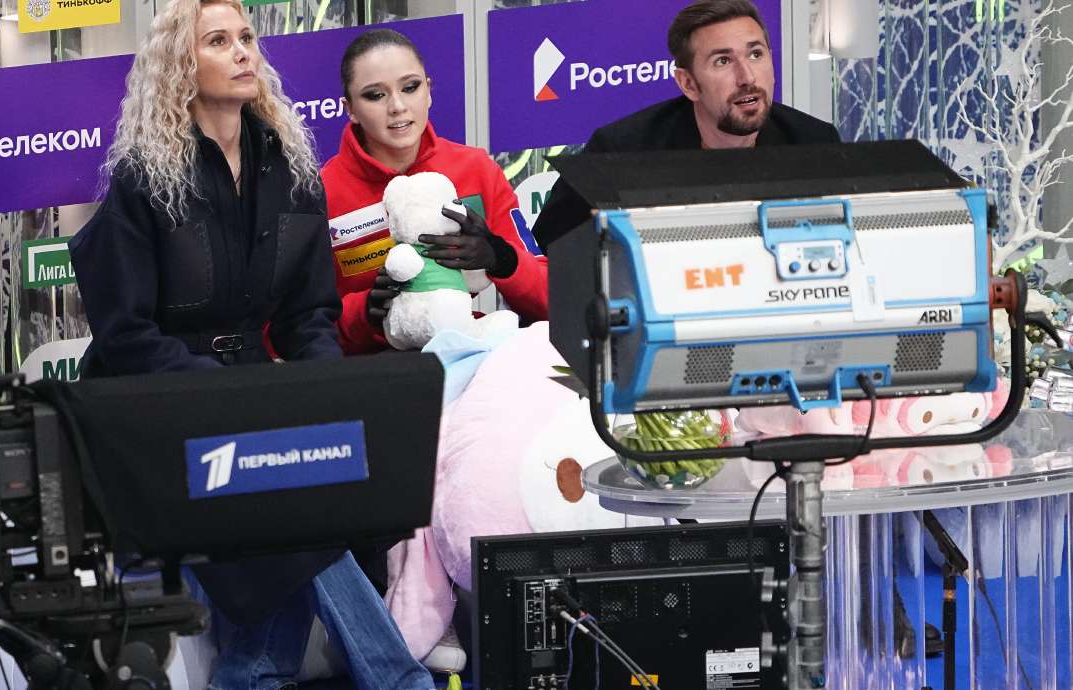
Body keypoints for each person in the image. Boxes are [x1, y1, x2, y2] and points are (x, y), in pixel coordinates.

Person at [68, 1, 434, 688]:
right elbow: (125, 337)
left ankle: (254, 673)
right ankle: (391, 679)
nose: (242, 52)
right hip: (148, 405)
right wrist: (226, 394)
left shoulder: (291, 168)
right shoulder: (144, 178)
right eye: (218, 41)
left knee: (306, 494)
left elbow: (309, 318)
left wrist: (328, 393)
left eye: (245, 38)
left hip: (251, 395)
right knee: (292, 512)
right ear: (182, 63)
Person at [532, 0, 841, 253]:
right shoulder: (622, 151)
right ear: (688, 84)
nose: (747, 76)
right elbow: (555, 240)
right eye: (723, 61)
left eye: (755, 54)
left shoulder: (813, 143)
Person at [321, 29, 548, 354]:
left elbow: (552, 300)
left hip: (467, 364)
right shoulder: (321, 192)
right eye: (375, 95)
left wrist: (501, 258)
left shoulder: (476, 169)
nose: (397, 106)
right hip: (367, 381)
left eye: (410, 87)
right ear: (350, 108)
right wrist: (364, 312)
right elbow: (292, 330)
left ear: (428, 91)